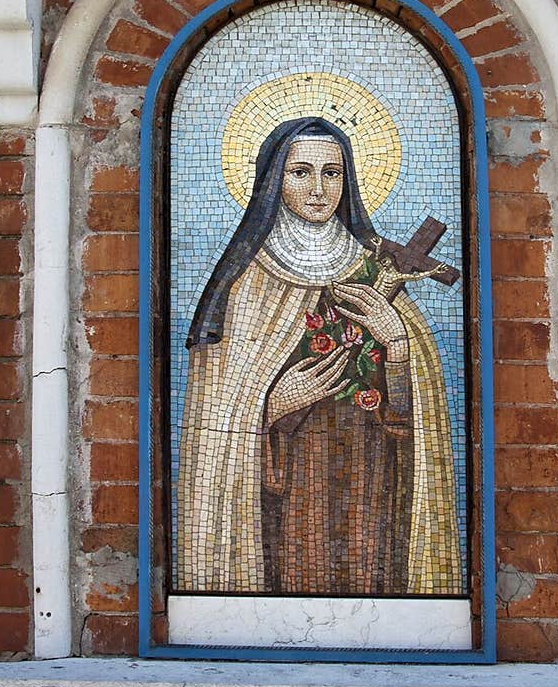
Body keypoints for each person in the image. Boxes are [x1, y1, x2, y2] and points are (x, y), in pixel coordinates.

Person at [175, 115, 461, 598]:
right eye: (300, 172)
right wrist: (271, 405)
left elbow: (417, 417)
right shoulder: (245, 283)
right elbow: (215, 422)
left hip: (371, 476)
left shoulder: (375, 269)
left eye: (332, 173)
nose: (318, 189)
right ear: (274, 180)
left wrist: (396, 344)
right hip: (284, 487)